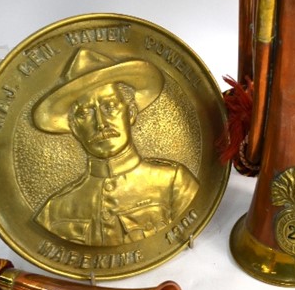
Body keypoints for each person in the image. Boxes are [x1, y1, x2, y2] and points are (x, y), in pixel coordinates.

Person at [31, 48, 199, 246]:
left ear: (131, 113)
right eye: (85, 114)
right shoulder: (55, 209)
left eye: (110, 107)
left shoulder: (174, 183)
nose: (100, 124)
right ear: (74, 128)